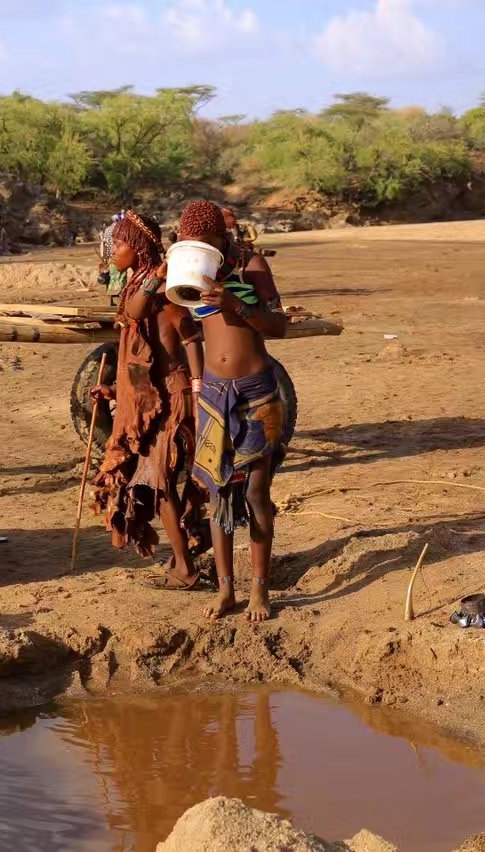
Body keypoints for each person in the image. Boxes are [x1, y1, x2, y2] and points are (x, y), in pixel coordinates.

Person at [169, 200, 289, 622]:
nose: (197, 249)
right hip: (214, 395)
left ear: (221, 238)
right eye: (189, 243)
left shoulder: (250, 267)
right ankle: (226, 591)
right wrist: (199, 380)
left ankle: (260, 591)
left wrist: (235, 304)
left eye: (203, 242)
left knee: (256, 493)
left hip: (256, 390)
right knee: (218, 494)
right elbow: (187, 328)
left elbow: (279, 325)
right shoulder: (190, 272)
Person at [91, 211, 209, 590]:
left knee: (159, 488)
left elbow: (183, 340)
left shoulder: (162, 297)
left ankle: (186, 570)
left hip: (173, 405)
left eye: (120, 244)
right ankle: (182, 562)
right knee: (158, 488)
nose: (113, 252)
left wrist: (197, 383)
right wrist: (116, 392)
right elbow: (145, 362)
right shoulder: (141, 290)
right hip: (154, 402)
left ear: (139, 249)